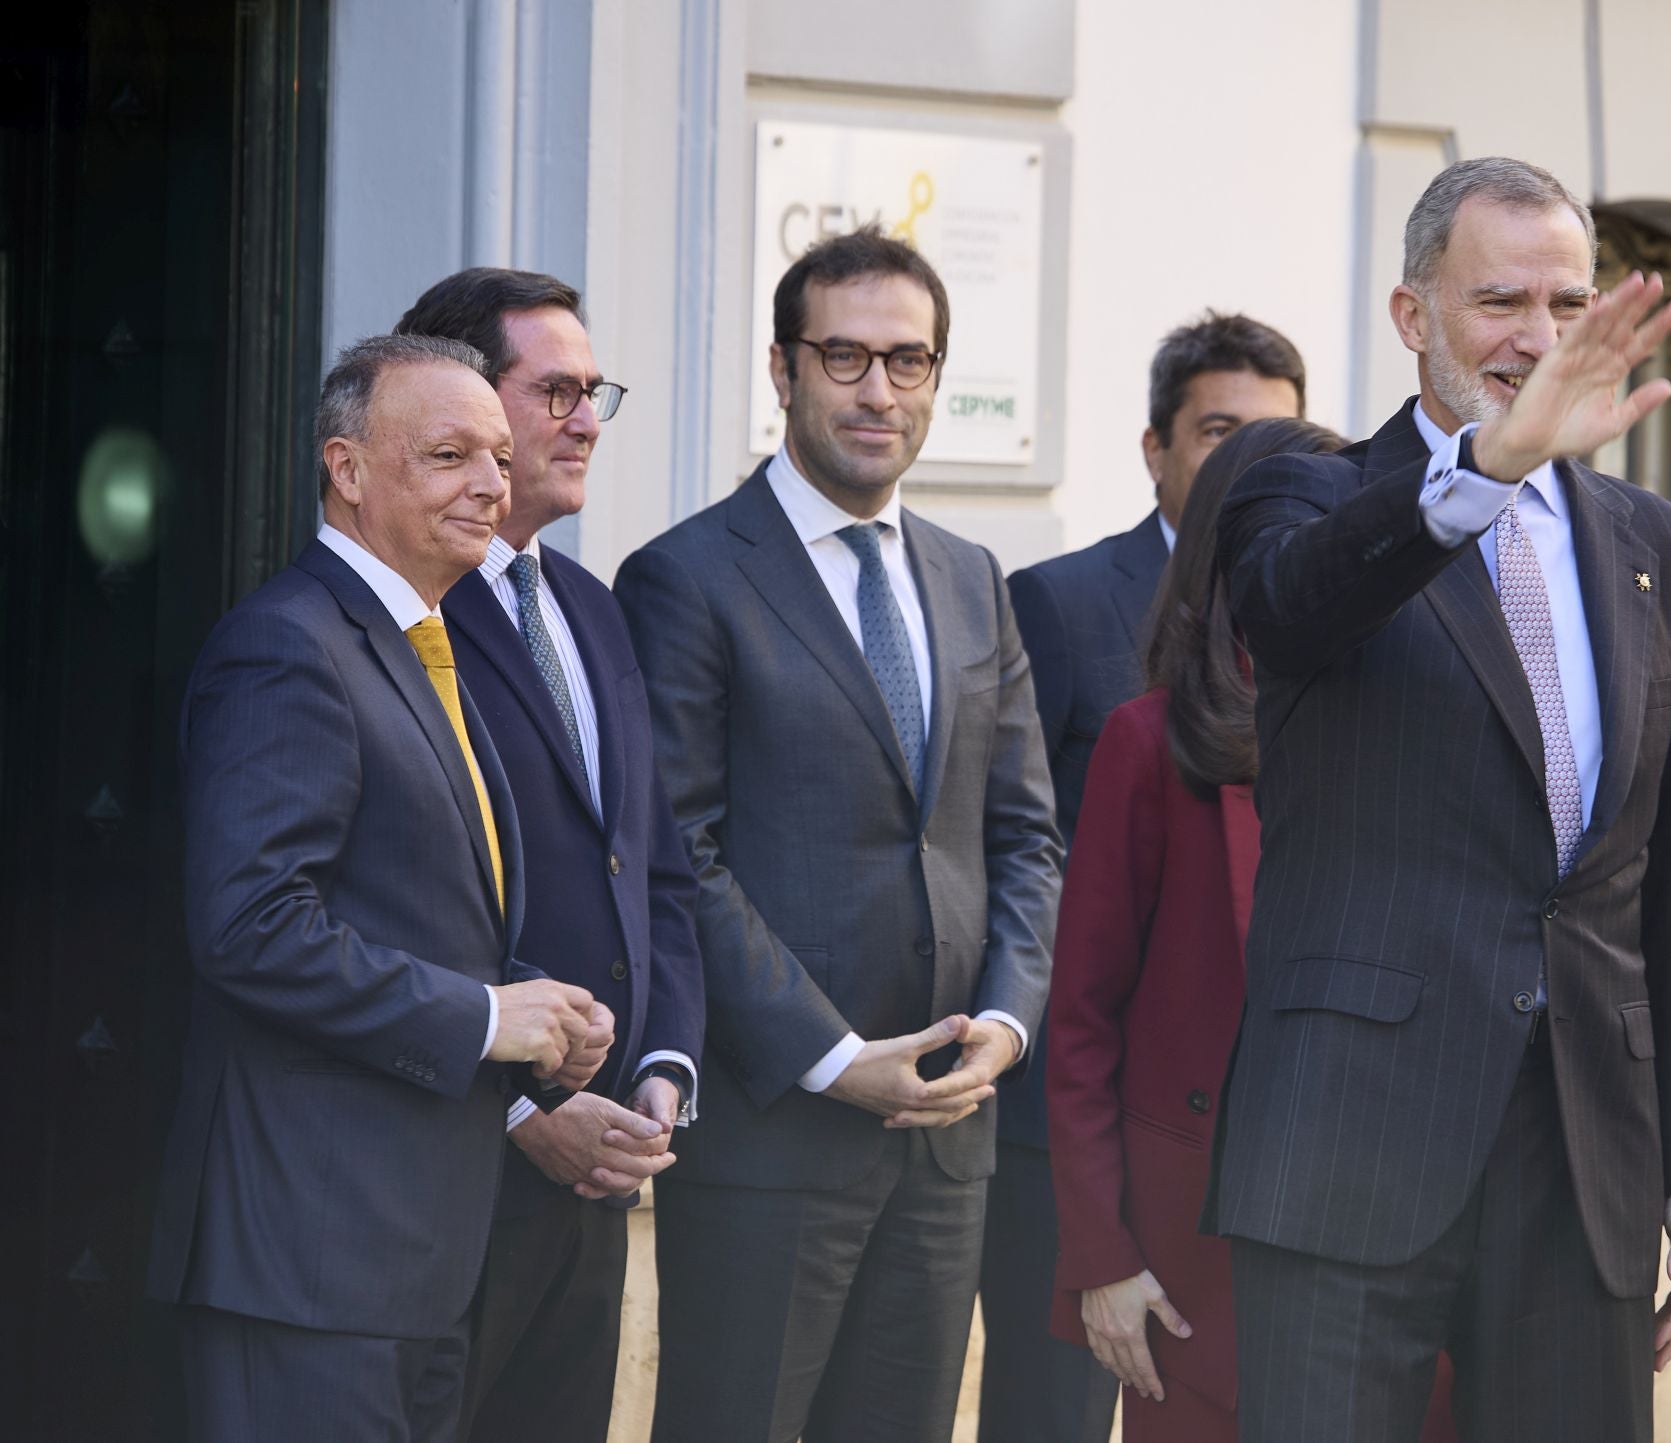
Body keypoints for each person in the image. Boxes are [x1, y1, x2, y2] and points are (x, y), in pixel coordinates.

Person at [1211, 156, 1671, 1442]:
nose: (1541, 339)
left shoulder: (1663, 549)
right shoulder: (1307, 491)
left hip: (1584, 1161)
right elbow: (1291, 611)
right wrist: (1488, 467)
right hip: (1348, 1147)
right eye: (1503, 302)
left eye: (1570, 304)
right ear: (1412, 318)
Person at [615, 227, 1061, 1443]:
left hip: (947, 1144)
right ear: (783, 369)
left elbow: (1024, 838)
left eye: (909, 362)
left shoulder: (974, 578)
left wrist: (1008, 1029)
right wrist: (830, 1054)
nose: (880, 392)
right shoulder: (687, 578)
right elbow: (678, 855)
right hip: (775, 1140)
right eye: (847, 357)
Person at [147, 334, 614, 1443]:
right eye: (451, 455)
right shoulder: (288, 646)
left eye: (500, 458)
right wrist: (487, 1019)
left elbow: (414, 909)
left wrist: (541, 1016)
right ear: (346, 470)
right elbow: (252, 928)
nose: (492, 486)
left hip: (416, 1264)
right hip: (309, 1264)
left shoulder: (417, 644)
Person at [394, 269, 706, 1443]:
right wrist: (527, 1117)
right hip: (456, 1181)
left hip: (603, 1177)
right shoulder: (395, 616)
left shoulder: (591, 603)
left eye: (594, 392)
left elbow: (655, 874)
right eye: (557, 390)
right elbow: (393, 908)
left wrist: (661, 1073)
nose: (585, 420)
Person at [983, 312, 1307, 1443]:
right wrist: (1100, 1235)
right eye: (1217, 433)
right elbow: (1031, 850)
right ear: (1158, 445)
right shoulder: (1067, 611)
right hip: (1121, 1137)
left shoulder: (1365, 695)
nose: (1246, 472)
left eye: (1275, 443)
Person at [1046, 416, 1344, 1442]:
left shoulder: (1408, 735)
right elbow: (1082, 1024)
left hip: (1385, 1266)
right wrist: (1103, 1260)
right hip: (1190, 1274)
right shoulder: (1148, 743)